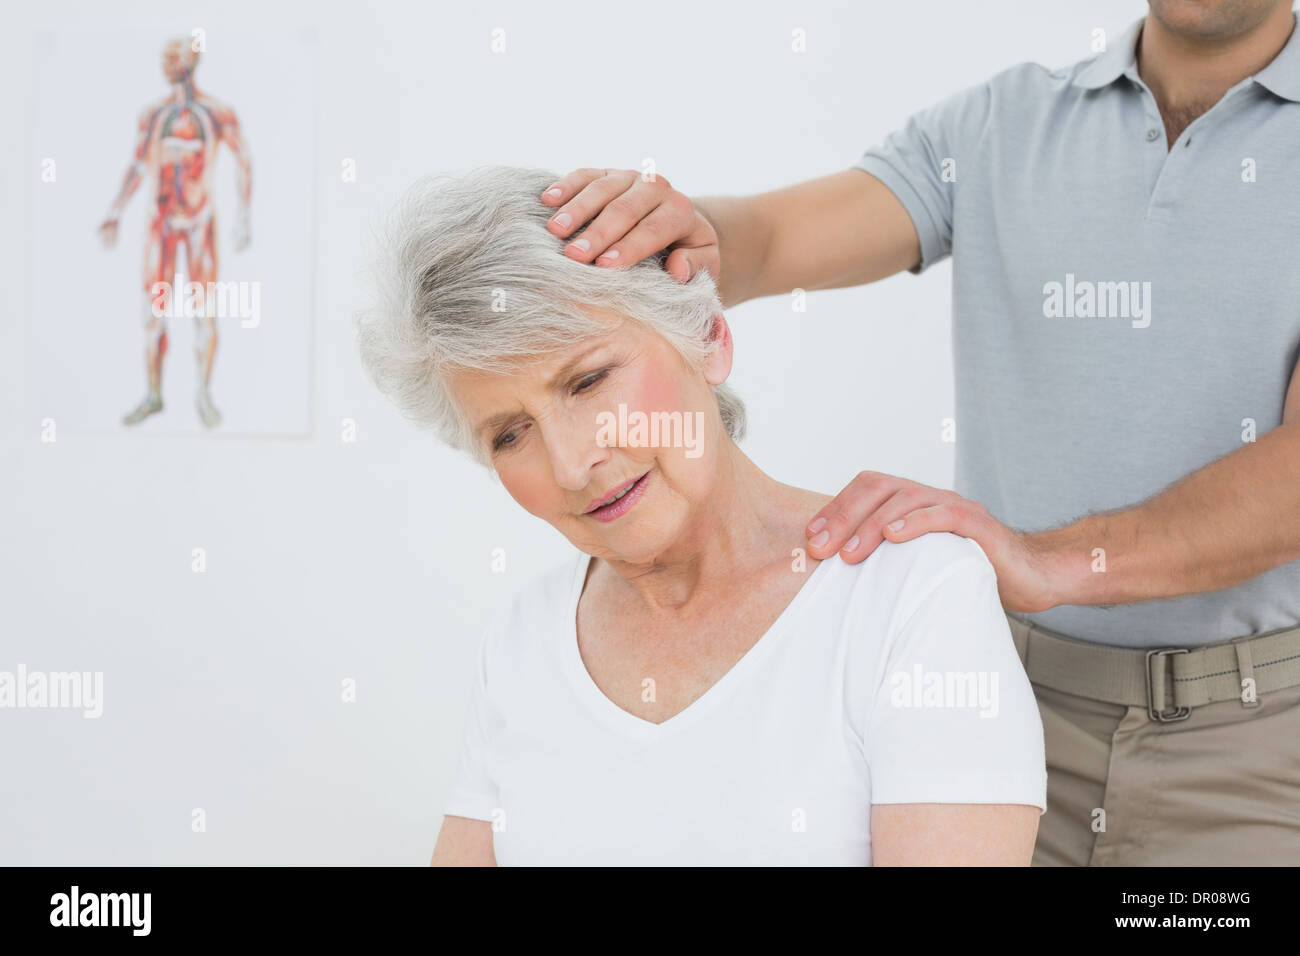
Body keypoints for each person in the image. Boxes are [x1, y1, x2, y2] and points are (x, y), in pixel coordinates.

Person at [538, 0, 1300, 865]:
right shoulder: (1001, 123)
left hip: (1251, 745)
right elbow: (769, 238)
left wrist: (1051, 560)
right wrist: (691, 237)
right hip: (998, 714)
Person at [355, 165, 1047, 866]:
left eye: (588, 381)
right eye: (510, 433)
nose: (570, 465)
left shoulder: (914, 597)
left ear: (709, 338)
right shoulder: (523, 639)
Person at [98, 37, 252, 429]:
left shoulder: (217, 112)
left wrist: (244, 215)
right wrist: (115, 210)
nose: (164, 64)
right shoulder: (152, 114)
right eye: (164, 57)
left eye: (171, 57)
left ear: (189, 61)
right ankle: (153, 394)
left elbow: (244, 160)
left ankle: (202, 392)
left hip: (198, 221)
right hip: (160, 222)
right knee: (154, 311)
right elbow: (137, 166)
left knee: (203, 309)